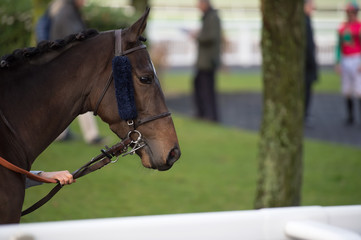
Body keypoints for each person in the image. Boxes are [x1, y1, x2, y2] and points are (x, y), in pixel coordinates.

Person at [36, 0, 104, 144]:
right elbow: (73, 39)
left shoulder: (64, 9)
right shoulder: (66, 12)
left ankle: (61, 134)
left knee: (66, 98)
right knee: (81, 95)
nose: (85, 2)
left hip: (60, 62)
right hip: (67, 64)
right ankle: (91, 136)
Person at [191, 0, 222, 122]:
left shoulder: (212, 17)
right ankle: (203, 114)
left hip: (208, 61)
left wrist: (197, 36)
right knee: (200, 86)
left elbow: (211, 37)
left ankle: (210, 116)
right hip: (205, 60)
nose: (198, 6)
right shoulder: (209, 17)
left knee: (207, 90)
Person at [335, 1, 361, 126]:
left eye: (352, 12)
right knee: (347, 90)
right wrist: (338, 61)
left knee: (359, 89)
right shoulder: (342, 27)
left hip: (356, 58)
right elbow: (338, 46)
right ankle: (350, 116)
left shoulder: (359, 26)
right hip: (346, 59)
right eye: (349, 12)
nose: (350, 14)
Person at [304, 0, 318, 126]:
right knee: (305, 91)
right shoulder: (304, 21)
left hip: (306, 65)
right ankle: (304, 115)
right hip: (306, 66)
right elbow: (308, 47)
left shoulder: (306, 20)